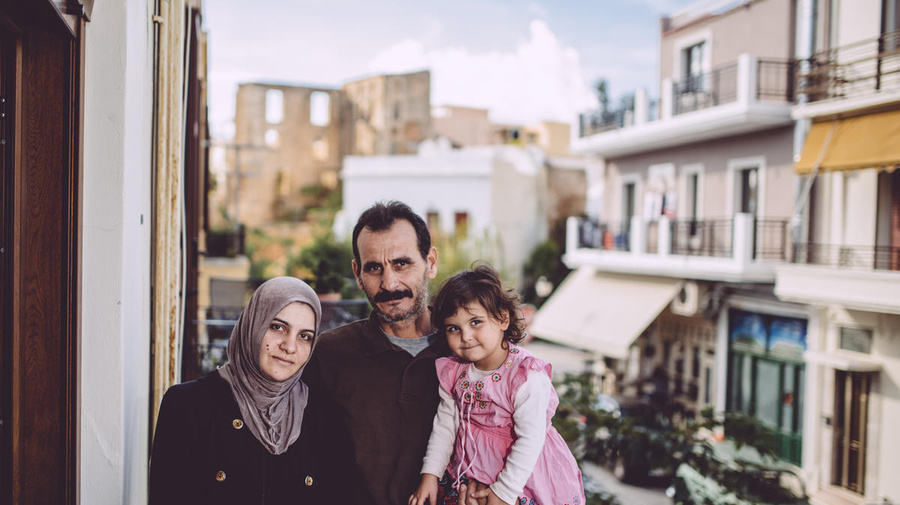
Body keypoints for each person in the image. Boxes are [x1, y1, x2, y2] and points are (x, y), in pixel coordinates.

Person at [303, 201, 453, 505]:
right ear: (358, 274)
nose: (389, 283)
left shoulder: (468, 348)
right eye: (374, 268)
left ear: (431, 262)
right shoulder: (328, 353)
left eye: (402, 263)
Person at [409, 265, 585, 505]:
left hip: (521, 481)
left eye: (475, 322)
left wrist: (503, 493)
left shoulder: (526, 377)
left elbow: (531, 440)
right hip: (472, 476)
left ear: (502, 318)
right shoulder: (455, 372)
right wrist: (430, 474)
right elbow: (445, 427)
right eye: (454, 328)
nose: (466, 336)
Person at [149, 277, 328, 505]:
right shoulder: (188, 405)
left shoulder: (320, 414)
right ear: (253, 324)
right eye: (277, 327)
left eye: (305, 336)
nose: (289, 347)